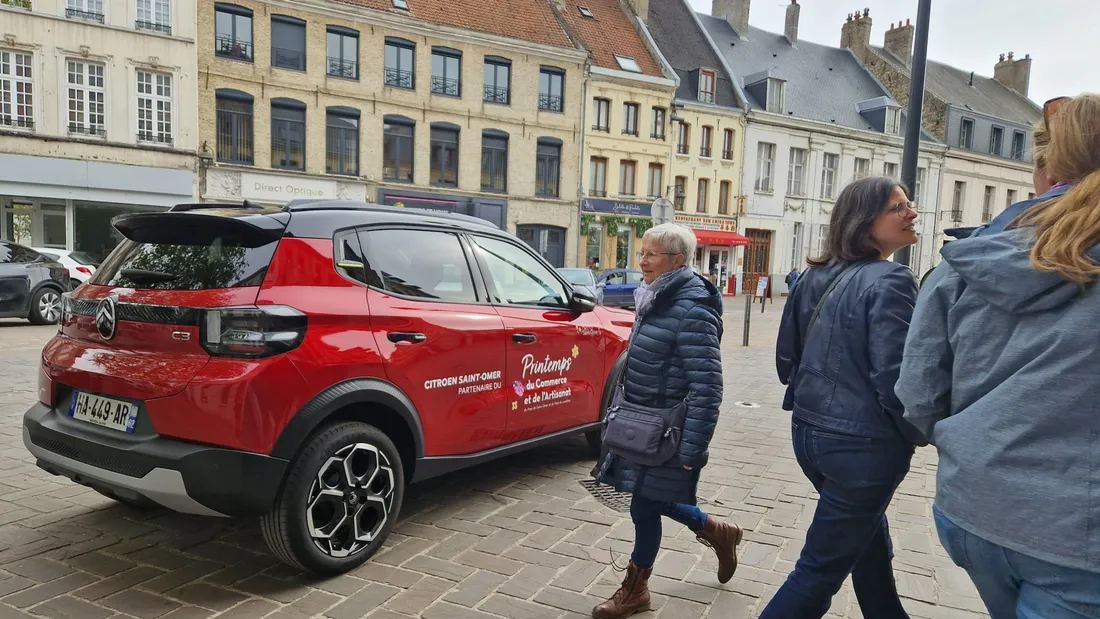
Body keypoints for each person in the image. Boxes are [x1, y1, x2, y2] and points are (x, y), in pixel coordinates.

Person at [897, 94, 1100, 618]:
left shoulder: (969, 260)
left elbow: (917, 393)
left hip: (974, 507)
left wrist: (976, 440)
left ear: (1044, 170)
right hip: (1073, 536)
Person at [765, 176, 923, 619]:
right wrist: (917, 432)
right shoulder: (893, 280)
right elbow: (897, 381)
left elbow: (786, 359)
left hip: (809, 435)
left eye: (909, 203)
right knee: (817, 572)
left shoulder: (812, 275)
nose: (912, 213)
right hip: (862, 448)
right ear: (864, 220)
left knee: (862, 534)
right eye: (898, 207)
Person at [590, 223, 741, 619]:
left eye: (651, 254)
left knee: (644, 505)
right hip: (641, 423)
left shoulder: (692, 308)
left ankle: (635, 589)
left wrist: (694, 449)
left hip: (667, 430)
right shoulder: (654, 296)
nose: (641, 261)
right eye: (642, 252)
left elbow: (707, 386)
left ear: (677, 261)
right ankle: (716, 530)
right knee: (651, 496)